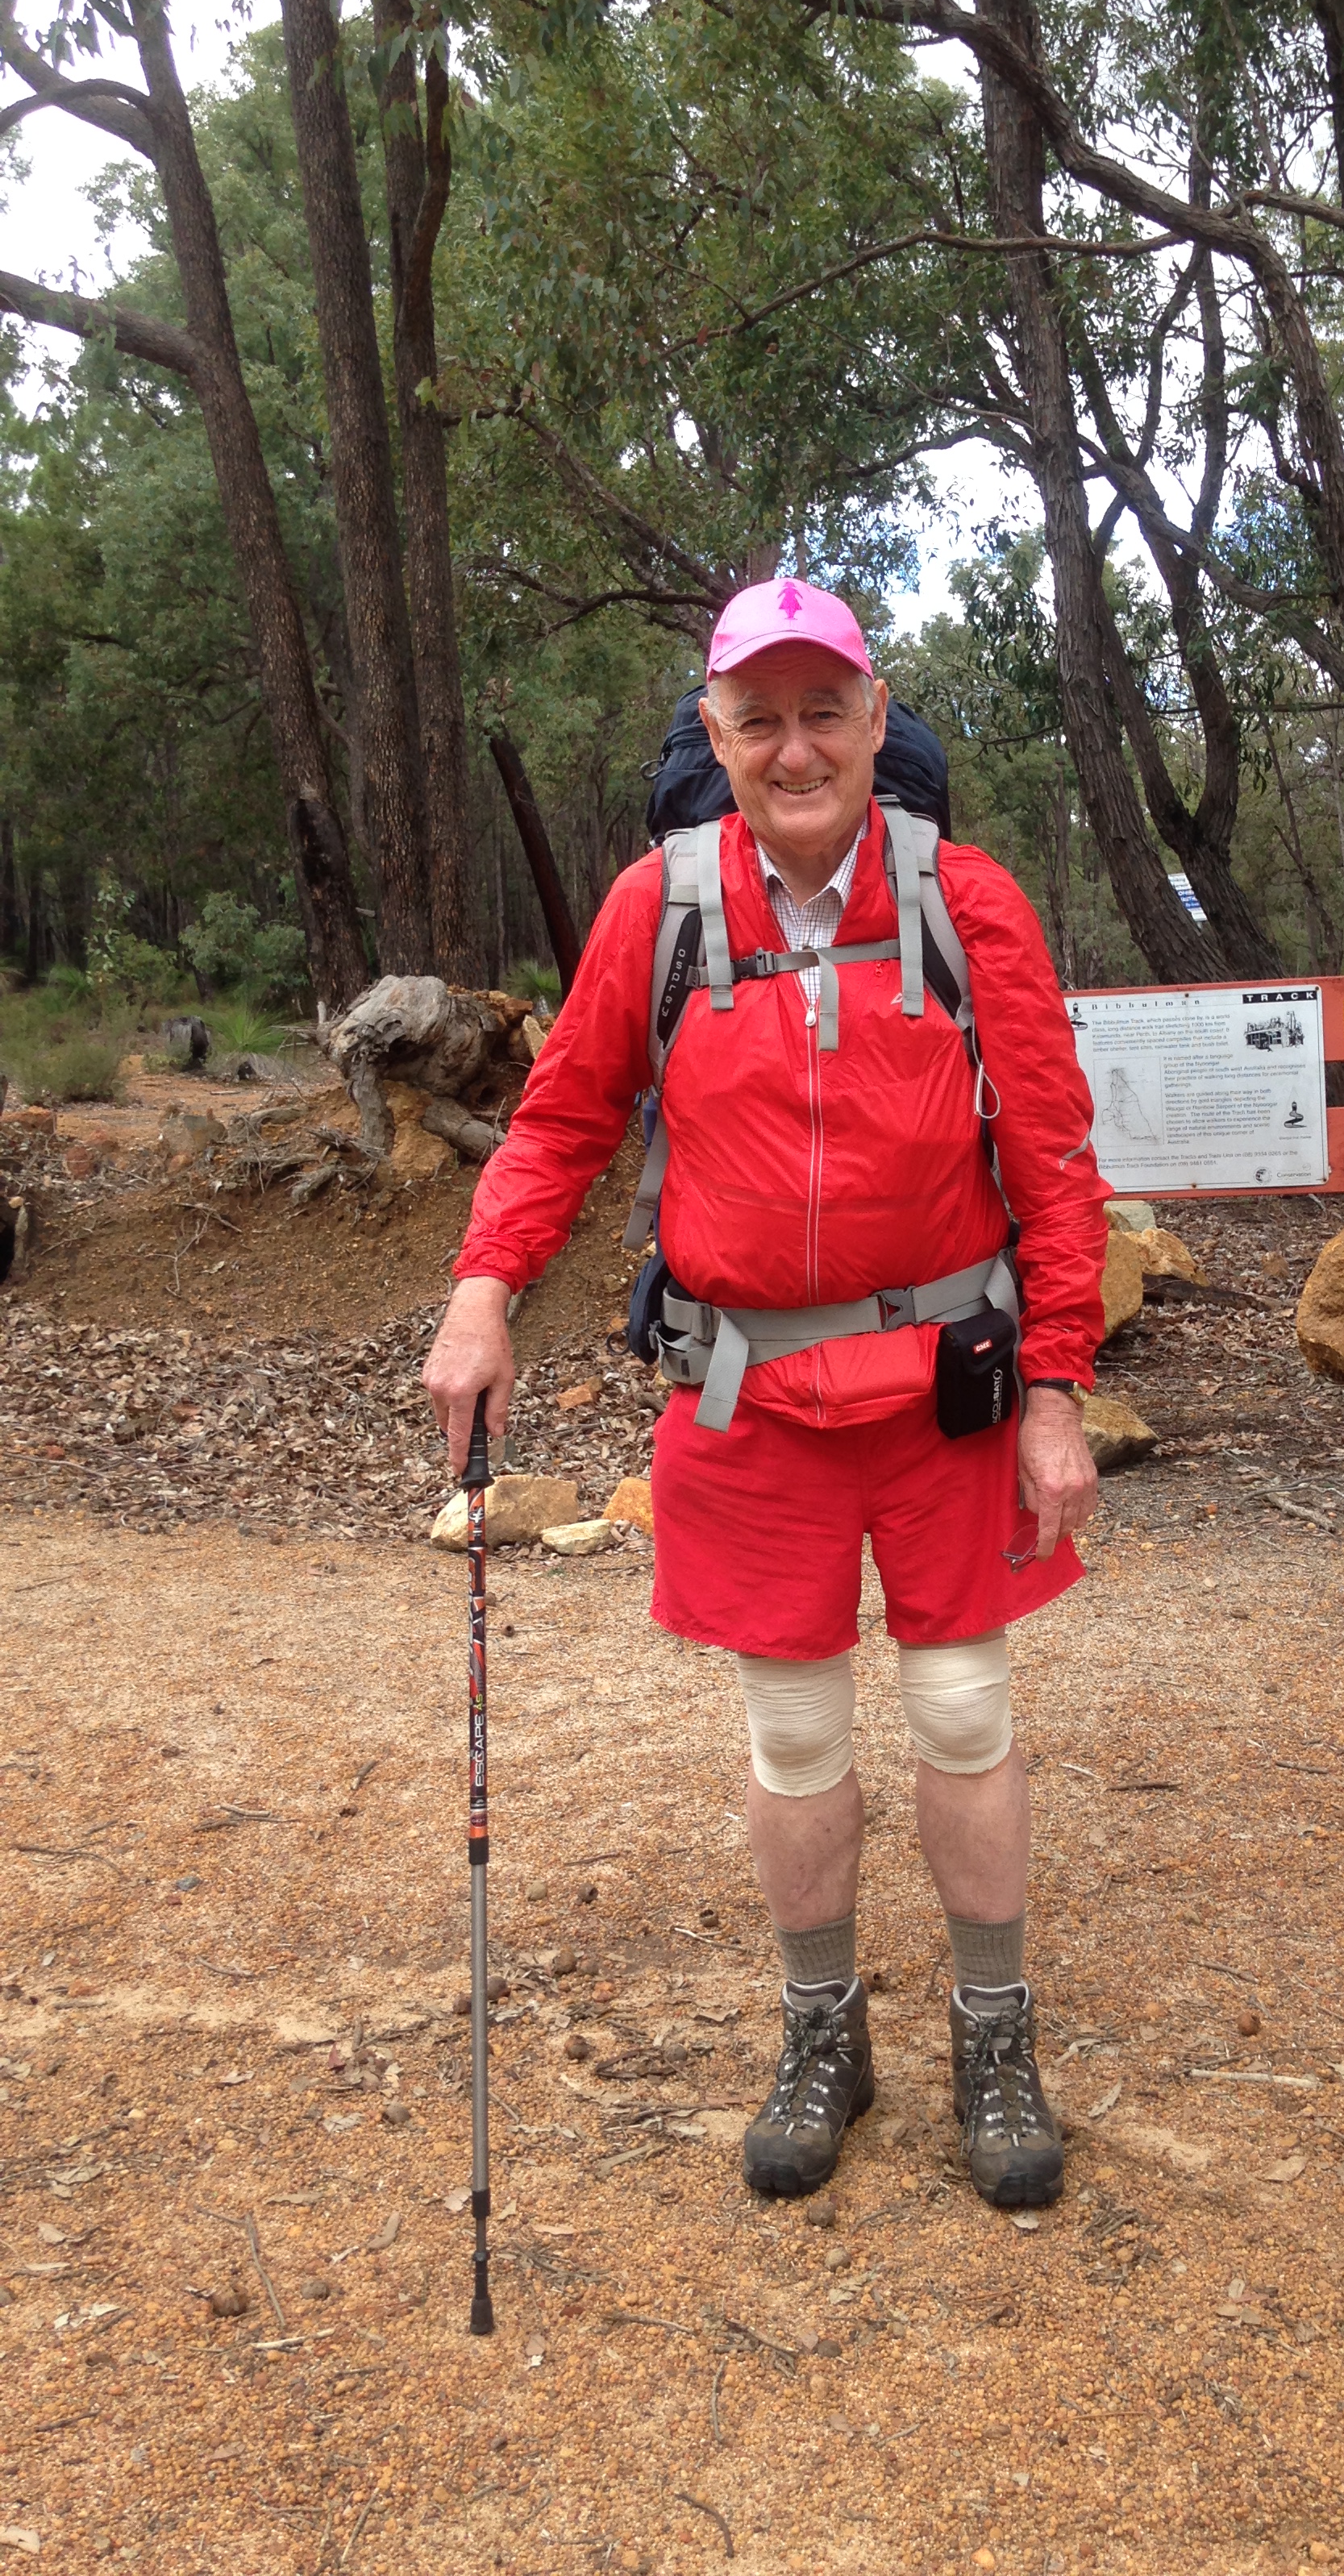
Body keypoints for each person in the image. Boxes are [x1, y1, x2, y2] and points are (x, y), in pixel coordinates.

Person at [421, 577, 1109, 2212]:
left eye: (823, 713)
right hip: (745, 1395)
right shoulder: (655, 911)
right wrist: (482, 1289)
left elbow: (1054, 1154)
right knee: (793, 1729)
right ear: (716, 735)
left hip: (945, 1389)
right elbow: (564, 1118)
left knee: (963, 1710)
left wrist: (1058, 1387)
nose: (795, 749)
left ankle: (992, 2038)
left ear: (875, 720)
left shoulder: (968, 903)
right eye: (760, 719)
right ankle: (822, 2036)